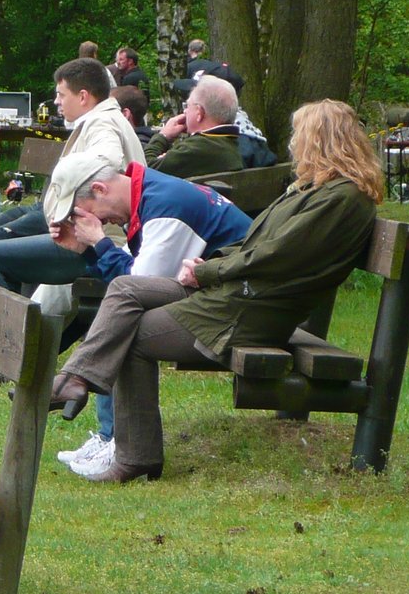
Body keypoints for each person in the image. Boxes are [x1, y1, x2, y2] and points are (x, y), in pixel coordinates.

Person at [47, 100, 384, 483]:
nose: (294, 146)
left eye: (300, 137)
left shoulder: (341, 198)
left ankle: (133, 452)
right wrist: (208, 266)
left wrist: (209, 271)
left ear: (322, 140)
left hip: (249, 308)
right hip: (238, 293)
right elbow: (256, 243)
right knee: (126, 289)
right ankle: (73, 381)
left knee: (131, 333)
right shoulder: (317, 191)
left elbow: (276, 254)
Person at [39, 150, 254, 479]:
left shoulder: (165, 206)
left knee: (126, 322)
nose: (92, 222)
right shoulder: (150, 196)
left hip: (241, 306)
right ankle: (124, 446)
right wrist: (89, 251)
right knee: (123, 321)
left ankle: (83, 393)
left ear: (99, 189)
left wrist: (99, 243)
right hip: (220, 296)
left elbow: (137, 287)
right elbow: (132, 285)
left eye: (84, 214)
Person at [0, 56, 147, 383]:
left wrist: (69, 195)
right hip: (74, 227)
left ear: (83, 96)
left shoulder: (103, 124)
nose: (56, 101)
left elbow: (107, 161)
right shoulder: (101, 119)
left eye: (61, 94)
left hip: (94, 242)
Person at [144, 75, 245, 180]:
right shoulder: (231, 143)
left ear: (199, 112)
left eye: (187, 106)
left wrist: (163, 136)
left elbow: (145, 168)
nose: (185, 111)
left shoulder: (197, 148)